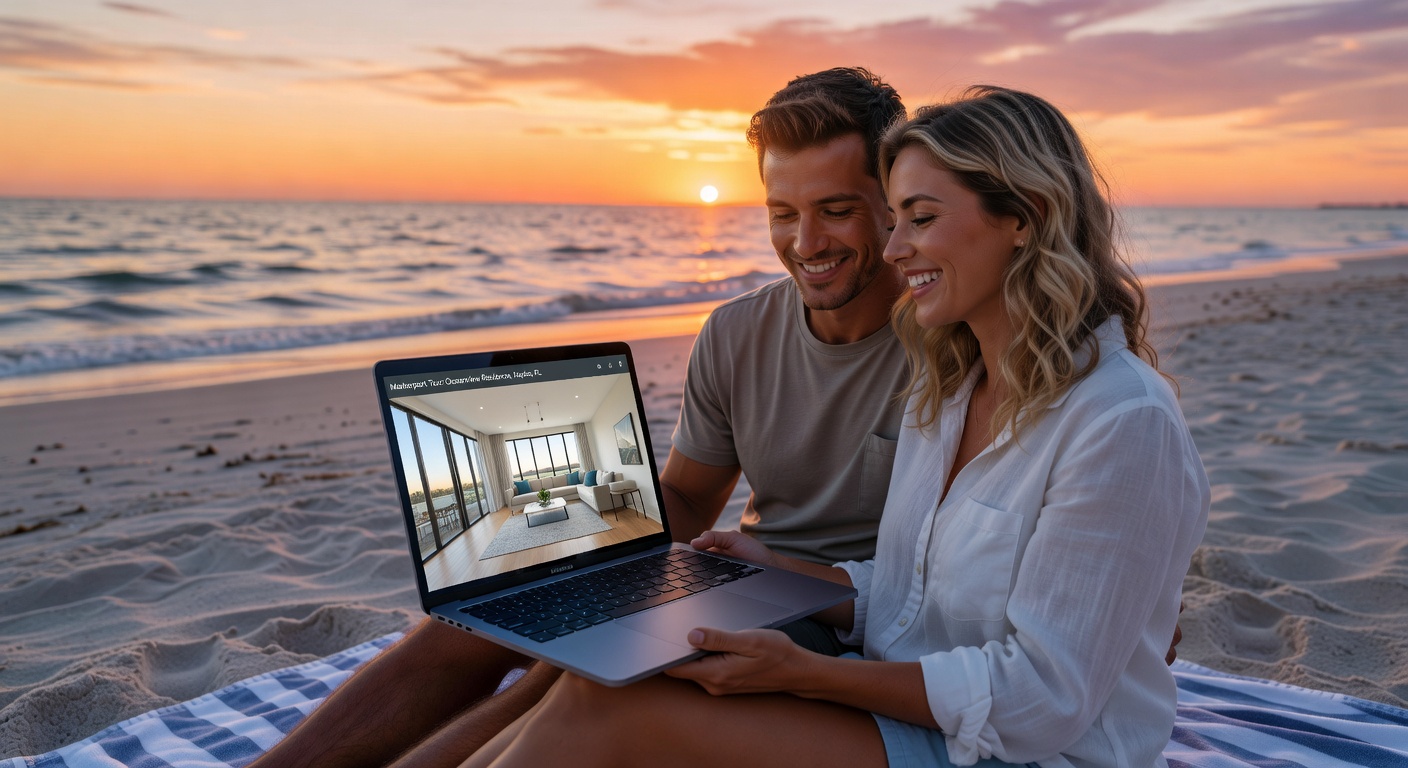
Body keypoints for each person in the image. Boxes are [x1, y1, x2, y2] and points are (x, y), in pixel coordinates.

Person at [455, 86, 1211, 768]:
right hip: (915, 715)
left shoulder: (1121, 422)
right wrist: (776, 573)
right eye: (894, 219)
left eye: (919, 218)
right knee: (602, 679)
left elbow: (1043, 699)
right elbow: (919, 599)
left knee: (608, 709)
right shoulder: (951, 391)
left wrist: (806, 674)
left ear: (1023, 219)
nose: (893, 249)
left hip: (1022, 753)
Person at [251, 66, 913, 768]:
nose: (806, 242)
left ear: (894, 203)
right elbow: (690, 494)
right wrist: (594, 539)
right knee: (477, 618)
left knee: (564, 673)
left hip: (826, 621)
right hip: (734, 575)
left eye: (836, 210)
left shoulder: (949, 344)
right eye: (783, 212)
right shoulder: (735, 331)